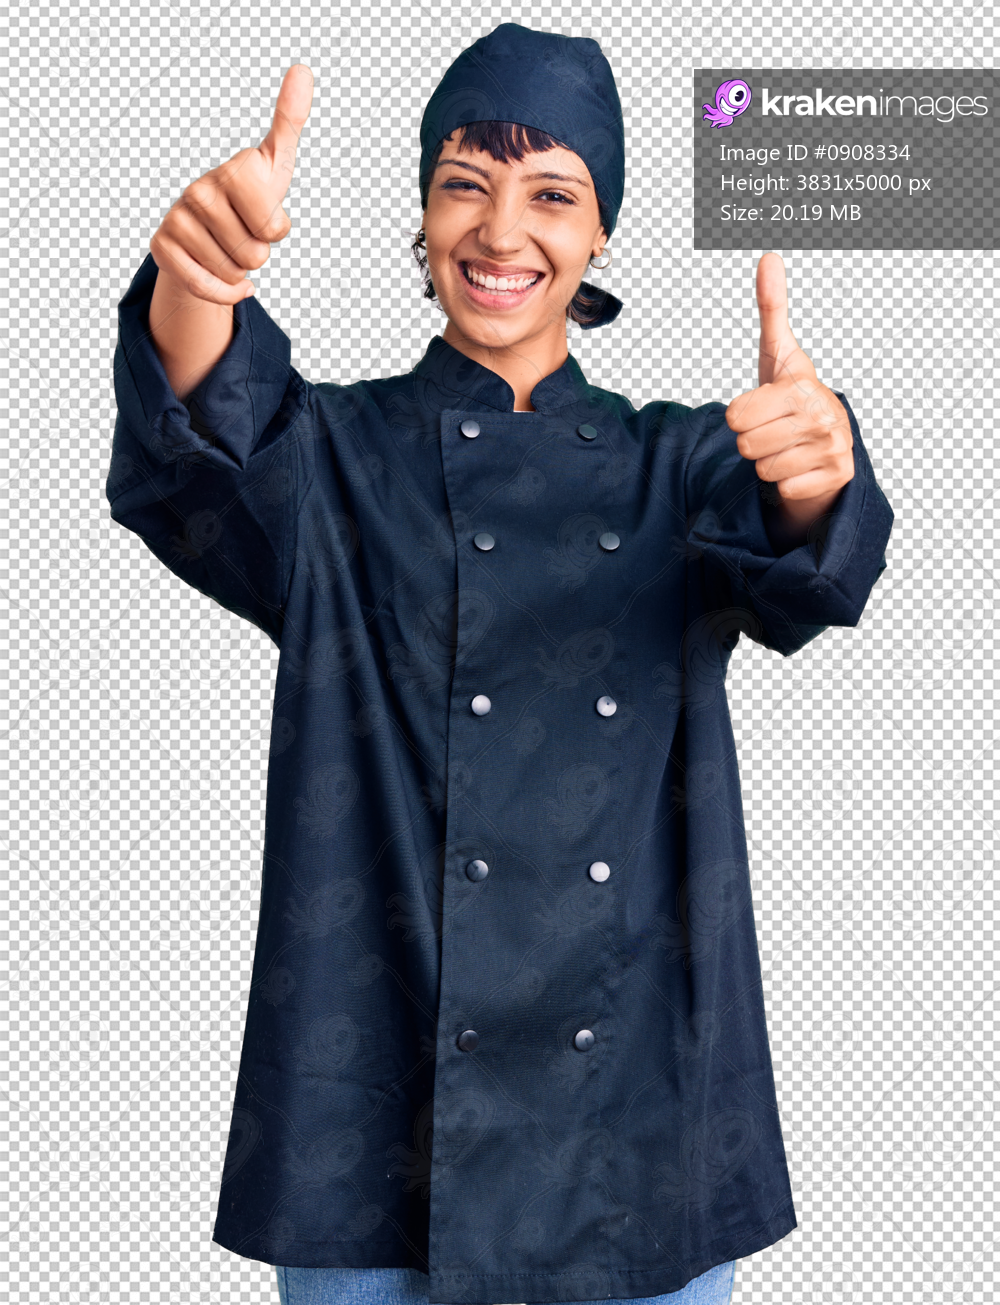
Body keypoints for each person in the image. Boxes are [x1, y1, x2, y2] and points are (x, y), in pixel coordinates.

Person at [106, 22, 893, 1305]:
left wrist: (815, 476)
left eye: (553, 195)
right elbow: (209, 435)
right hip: (373, 1112)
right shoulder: (333, 457)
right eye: (463, 183)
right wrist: (196, 280)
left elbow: (804, 558)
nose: (501, 229)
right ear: (422, 216)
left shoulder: (679, 464)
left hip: (636, 1115)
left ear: (601, 235)